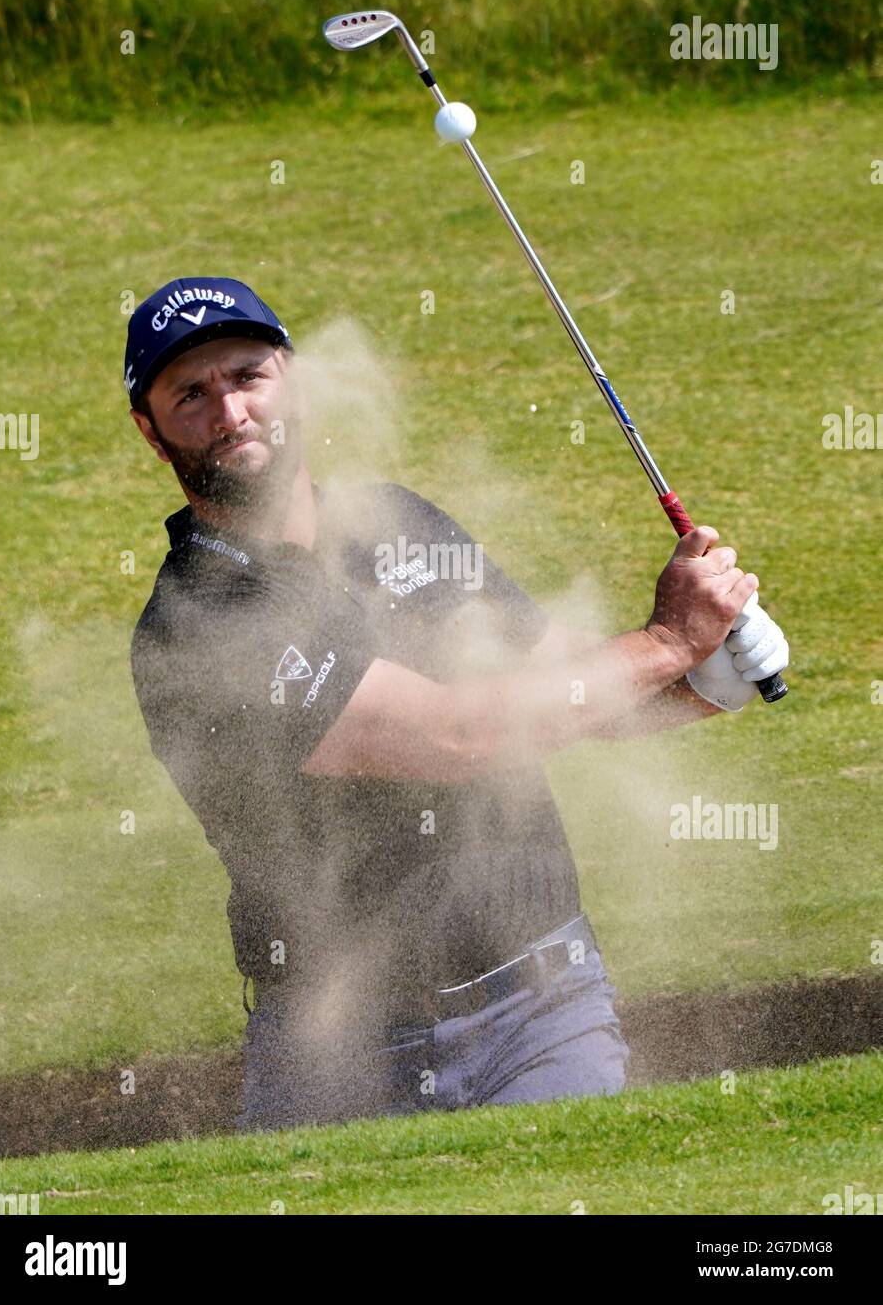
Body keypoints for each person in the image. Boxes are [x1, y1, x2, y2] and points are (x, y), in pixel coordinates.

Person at [126, 276, 789, 1129]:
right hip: (339, 1060)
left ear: (293, 379)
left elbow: (560, 683)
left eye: (247, 376)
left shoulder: (398, 523)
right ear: (151, 431)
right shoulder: (198, 623)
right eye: (191, 394)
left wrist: (701, 681)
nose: (230, 412)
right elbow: (456, 735)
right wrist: (666, 641)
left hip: (545, 1015)